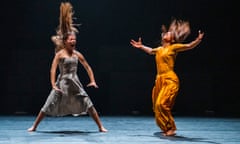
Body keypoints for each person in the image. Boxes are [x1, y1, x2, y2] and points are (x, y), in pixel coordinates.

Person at [27, 2, 107, 132]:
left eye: (74, 39)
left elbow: (88, 67)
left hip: (75, 82)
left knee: (88, 104)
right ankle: (34, 126)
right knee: (48, 105)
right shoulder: (59, 54)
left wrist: (92, 80)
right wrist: (53, 84)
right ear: (65, 41)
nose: (73, 41)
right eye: (70, 39)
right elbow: (53, 69)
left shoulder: (77, 54)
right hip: (62, 82)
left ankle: (101, 127)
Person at [130, 19, 204, 136]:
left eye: (169, 33)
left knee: (161, 104)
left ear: (172, 39)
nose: (166, 33)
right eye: (165, 33)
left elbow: (189, 46)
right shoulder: (159, 49)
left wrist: (198, 40)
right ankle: (165, 128)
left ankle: (171, 128)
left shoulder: (174, 48)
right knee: (156, 107)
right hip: (159, 80)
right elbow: (150, 51)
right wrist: (141, 46)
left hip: (170, 79)